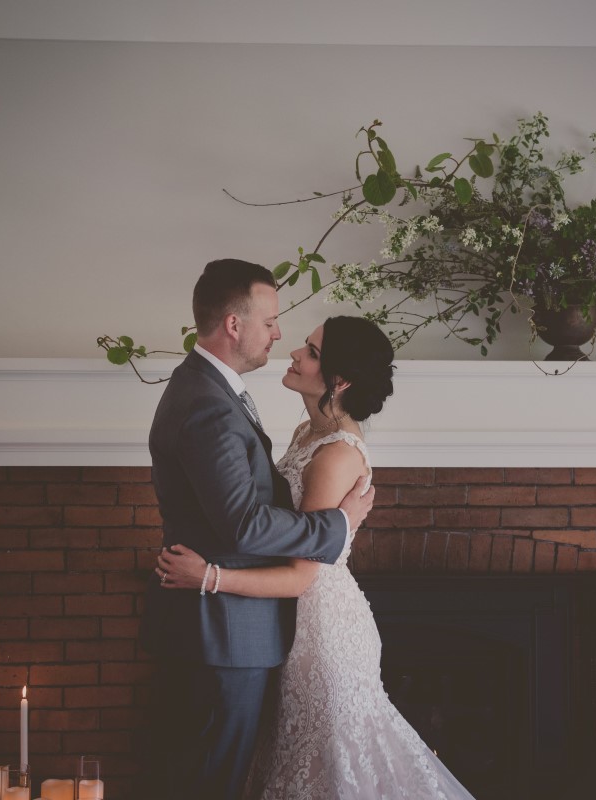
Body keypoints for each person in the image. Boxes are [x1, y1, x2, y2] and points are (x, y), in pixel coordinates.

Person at [157, 315, 476, 800]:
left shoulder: (336, 454)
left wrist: (209, 577)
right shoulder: (309, 431)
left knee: (329, 768)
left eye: (311, 351)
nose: (294, 353)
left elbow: (300, 577)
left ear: (339, 380)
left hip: (322, 632)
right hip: (290, 624)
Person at [140, 260, 376, 800]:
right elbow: (243, 522)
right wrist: (336, 527)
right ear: (233, 324)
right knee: (212, 783)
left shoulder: (209, 390)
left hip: (244, 626)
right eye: (269, 321)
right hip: (223, 634)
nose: (279, 335)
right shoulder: (208, 404)